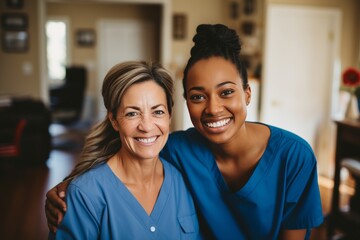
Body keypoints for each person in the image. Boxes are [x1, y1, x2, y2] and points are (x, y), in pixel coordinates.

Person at [45, 24, 323, 239]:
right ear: (186, 102)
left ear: (247, 94)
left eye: (226, 92)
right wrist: (69, 187)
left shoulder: (294, 157)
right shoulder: (179, 149)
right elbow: (127, 149)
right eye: (198, 96)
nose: (213, 109)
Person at [48, 61, 201, 239]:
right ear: (114, 120)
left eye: (158, 112)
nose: (146, 126)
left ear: (169, 116)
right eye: (132, 113)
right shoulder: (85, 194)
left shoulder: (181, 182)